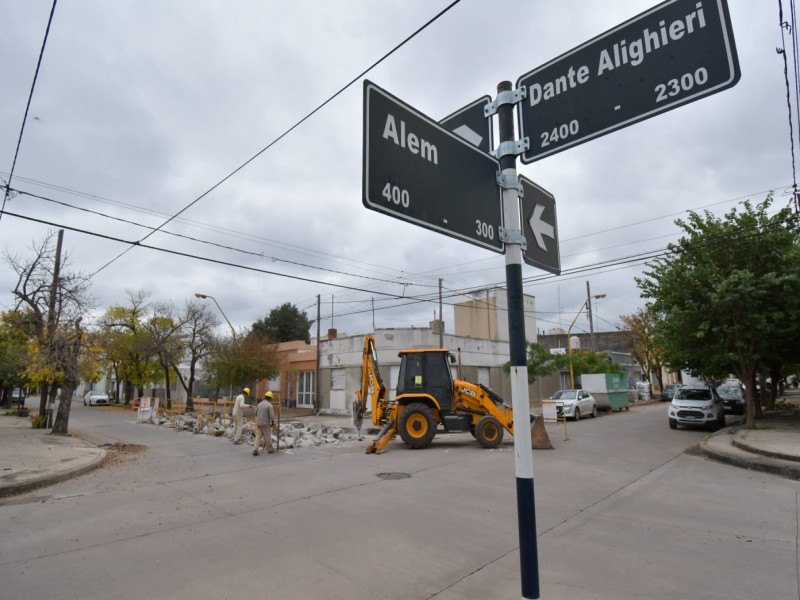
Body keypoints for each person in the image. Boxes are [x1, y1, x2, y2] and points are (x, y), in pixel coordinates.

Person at [253, 391, 276, 456]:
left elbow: (255, 413)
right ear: (270, 398)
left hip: (258, 423)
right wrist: (273, 423)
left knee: (258, 436)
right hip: (265, 423)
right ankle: (270, 449)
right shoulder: (269, 405)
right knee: (267, 436)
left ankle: (255, 449)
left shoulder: (259, 404)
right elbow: (271, 415)